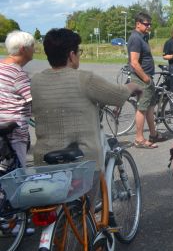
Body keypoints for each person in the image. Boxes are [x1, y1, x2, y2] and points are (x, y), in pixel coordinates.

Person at [31, 28, 140, 203]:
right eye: (78, 52)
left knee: (58, 212)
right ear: (72, 55)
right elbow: (117, 94)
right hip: (82, 162)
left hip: (45, 162)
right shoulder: (84, 79)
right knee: (83, 211)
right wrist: (134, 87)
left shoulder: (36, 81)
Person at [128, 12, 168, 148]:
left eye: (150, 24)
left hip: (146, 78)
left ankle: (153, 134)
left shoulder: (142, 37)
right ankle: (139, 139)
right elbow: (134, 62)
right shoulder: (135, 38)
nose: (149, 26)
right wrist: (146, 79)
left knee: (150, 107)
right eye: (146, 24)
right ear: (138, 24)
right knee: (142, 108)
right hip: (141, 79)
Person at [0, 31, 35, 168]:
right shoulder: (18, 74)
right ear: (23, 49)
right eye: (32, 46)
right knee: (16, 181)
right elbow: (34, 102)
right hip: (13, 137)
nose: (35, 49)